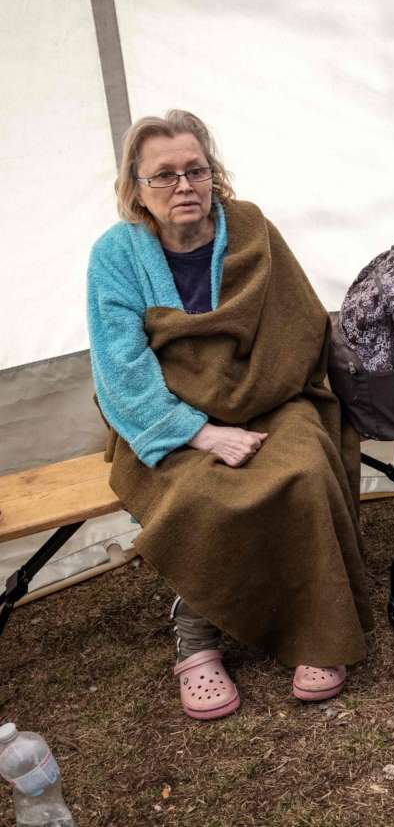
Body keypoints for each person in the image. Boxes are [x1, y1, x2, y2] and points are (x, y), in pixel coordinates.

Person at [87, 110, 373, 720]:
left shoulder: (249, 228)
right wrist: (200, 431)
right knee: (199, 492)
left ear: (215, 175)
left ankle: (320, 632)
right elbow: (121, 364)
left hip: (270, 394)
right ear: (136, 188)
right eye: (163, 176)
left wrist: (257, 397)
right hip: (163, 413)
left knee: (302, 469)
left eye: (197, 170)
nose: (184, 186)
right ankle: (196, 633)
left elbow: (299, 324)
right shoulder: (115, 254)